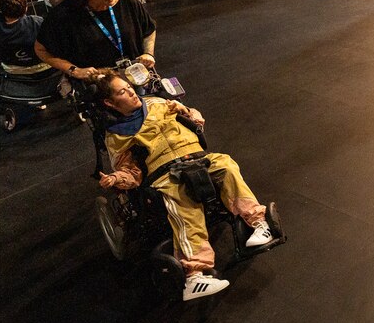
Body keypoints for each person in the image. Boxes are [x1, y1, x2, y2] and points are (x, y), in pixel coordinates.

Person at [95, 71, 276, 301]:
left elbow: (195, 120)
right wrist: (115, 180)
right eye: (122, 91)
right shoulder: (117, 135)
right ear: (109, 103)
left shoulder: (157, 102)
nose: (131, 91)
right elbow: (132, 174)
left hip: (197, 156)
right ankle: (194, 276)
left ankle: (259, 223)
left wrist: (189, 113)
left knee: (227, 165)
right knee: (183, 200)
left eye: (129, 86)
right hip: (167, 172)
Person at [35, 0, 156, 81]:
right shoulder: (63, 15)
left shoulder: (127, 1)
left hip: (136, 76)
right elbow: (41, 50)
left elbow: (149, 30)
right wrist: (74, 70)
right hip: (100, 84)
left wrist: (148, 53)